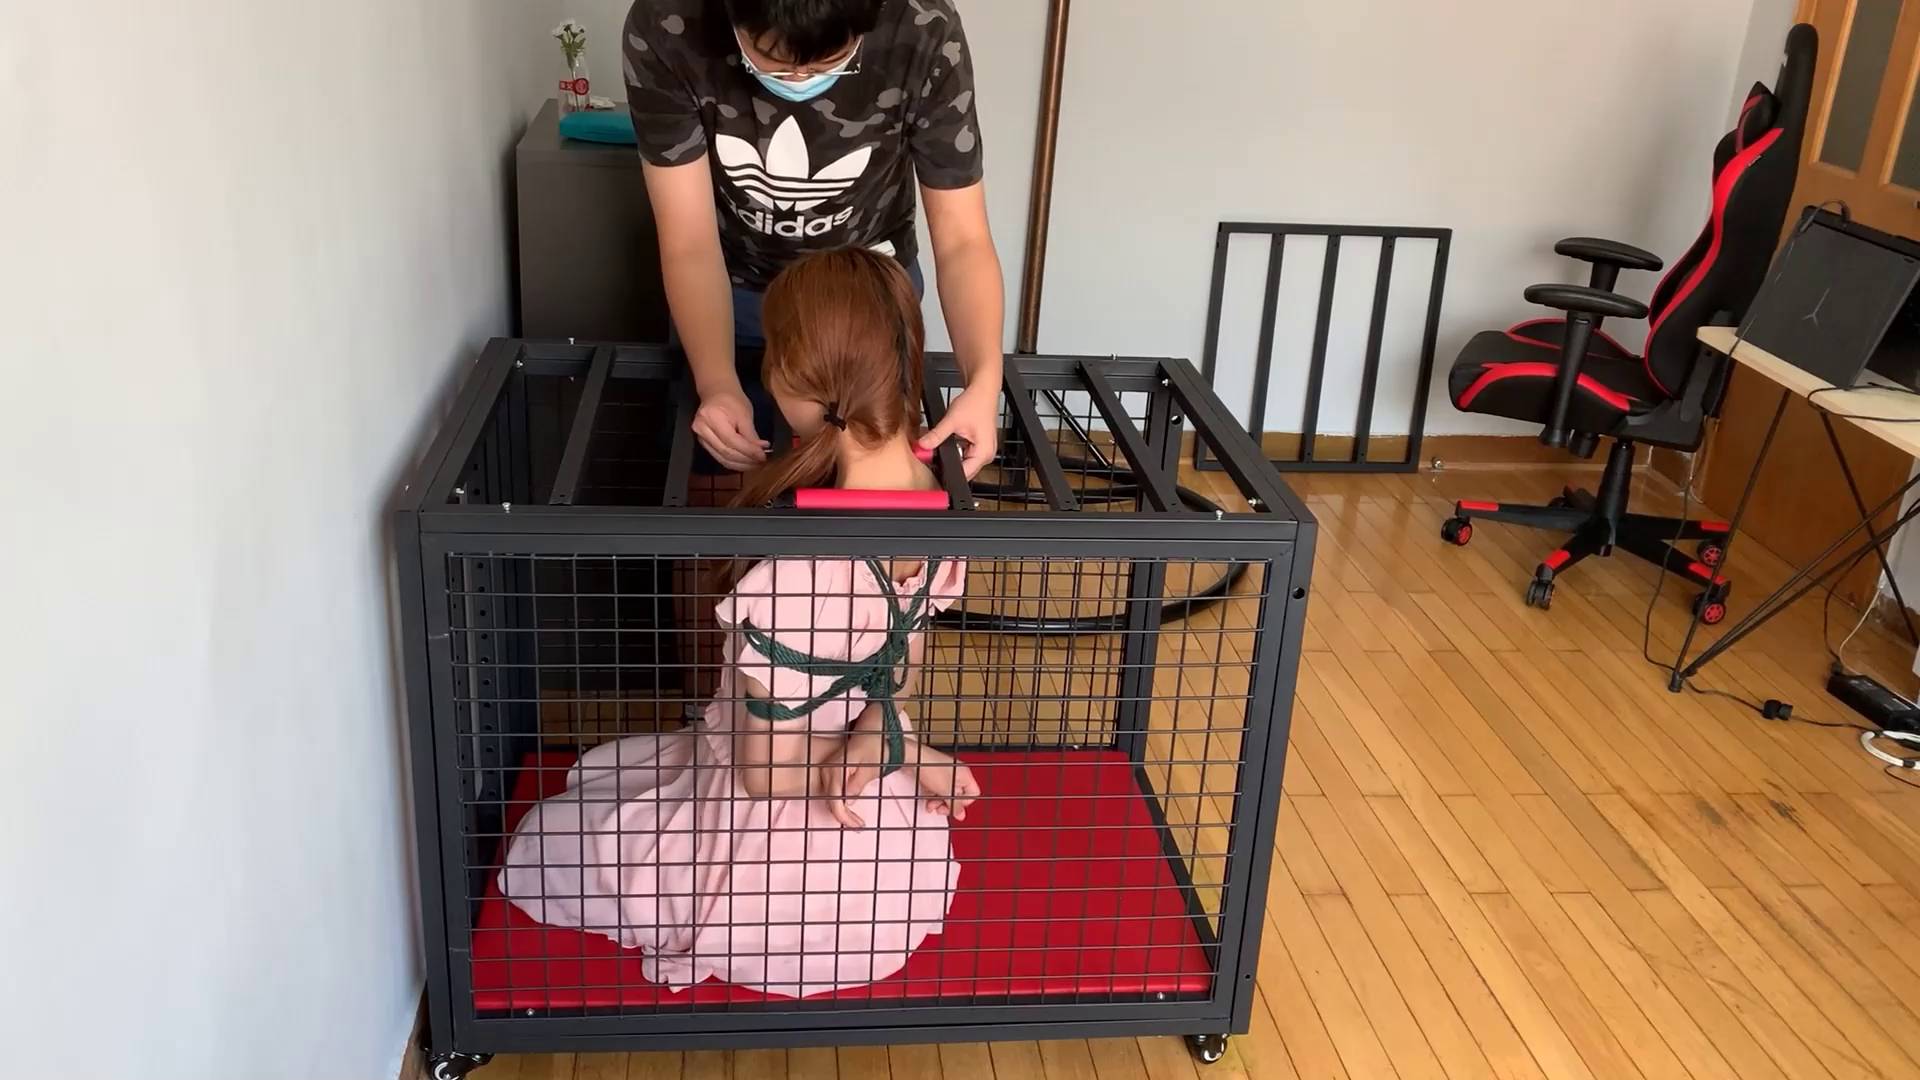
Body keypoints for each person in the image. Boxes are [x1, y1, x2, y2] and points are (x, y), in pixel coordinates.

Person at [497, 249, 980, 997]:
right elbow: (897, 674)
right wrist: (888, 738)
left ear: (791, 380)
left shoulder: (792, 572)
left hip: (775, 827)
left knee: (541, 848)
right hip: (865, 803)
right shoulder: (939, 500)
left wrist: (902, 750)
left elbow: (763, 774)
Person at [623, 0, 1004, 478]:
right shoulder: (667, 24)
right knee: (722, 459)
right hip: (731, 290)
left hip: (865, 303)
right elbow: (689, 243)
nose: (801, 78)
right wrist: (717, 384)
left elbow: (963, 240)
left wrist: (984, 381)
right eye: (776, 62)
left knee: (869, 465)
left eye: (829, 63)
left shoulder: (924, 27)